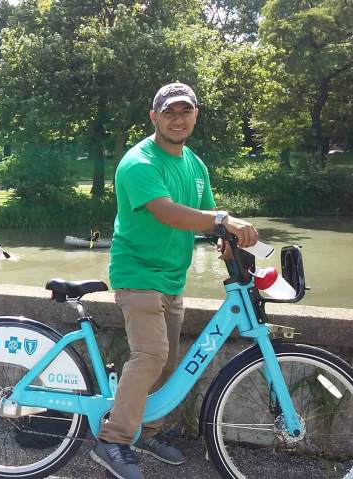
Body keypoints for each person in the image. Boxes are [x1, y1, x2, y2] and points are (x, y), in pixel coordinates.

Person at [90, 82, 258, 479]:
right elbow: (169, 213)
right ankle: (113, 439)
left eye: (185, 111)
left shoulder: (194, 165)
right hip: (137, 274)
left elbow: (206, 216)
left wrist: (229, 242)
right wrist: (221, 220)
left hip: (171, 277)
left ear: (195, 116)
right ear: (154, 116)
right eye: (169, 112)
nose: (177, 118)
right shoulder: (139, 162)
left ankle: (146, 430)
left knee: (167, 363)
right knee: (149, 356)